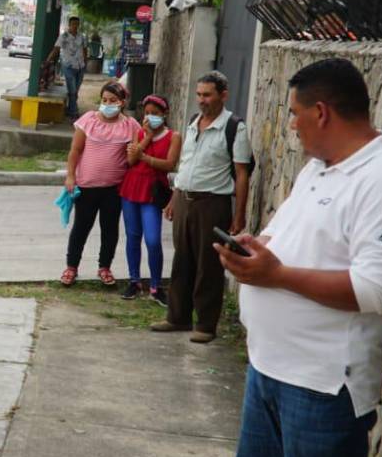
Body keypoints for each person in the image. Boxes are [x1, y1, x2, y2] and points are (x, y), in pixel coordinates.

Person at [214, 58, 382, 457]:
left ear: (322, 112)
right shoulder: (318, 169)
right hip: (267, 370)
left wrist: (276, 275)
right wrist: (256, 248)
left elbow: (375, 289)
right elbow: (284, 237)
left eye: (294, 113)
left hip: (323, 385)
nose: (290, 124)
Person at [150, 71, 250, 343]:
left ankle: (205, 324)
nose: (202, 100)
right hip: (185, 200)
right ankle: (177, 317)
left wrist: (239, 214)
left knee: (209, 265)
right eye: (199, 94)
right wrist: (174, 198)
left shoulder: (234, 128)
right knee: (182, 260)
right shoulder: (194, 122)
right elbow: (187, 165)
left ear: (223, 95)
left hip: (212, 203)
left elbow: (242, 173)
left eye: (207, 95)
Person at [61, 81, 141, 287]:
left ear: (122, 102)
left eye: (113, 101)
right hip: (86, 187)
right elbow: (75, 150)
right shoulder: (89, 120)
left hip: (114, 189)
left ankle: (104, 267)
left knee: (110, 230)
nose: (107, 104)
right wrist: (70, 176)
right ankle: (71, 267)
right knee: (81, 228)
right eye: (104, 100)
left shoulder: (130, 125)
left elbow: (134, 155)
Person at [119, 94, 180, 303]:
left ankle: (156, 285)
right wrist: (146, 137)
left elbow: (169, 164)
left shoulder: (173, 136)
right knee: (133, 236)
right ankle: (134, 280)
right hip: (131, 187)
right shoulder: (138, 132)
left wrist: (144, 157)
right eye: (147, 113)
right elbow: (130, 160)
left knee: (153, 240)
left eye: (155, 113)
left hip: (153, 191)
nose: (150, 117)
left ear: (164, 114)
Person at [46, 15, 87, 120]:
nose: (75, 26)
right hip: (68, 66)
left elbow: (85, 50)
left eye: (77, 24)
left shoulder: (82, 37)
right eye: (73, 24)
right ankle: (74, 113)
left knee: (75, 91)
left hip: (80, 66)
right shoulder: (63, 36)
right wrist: (48, 60)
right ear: (69, 25)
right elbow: (56, 49)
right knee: (72, 90)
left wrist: (85, 63)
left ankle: (70, 109)